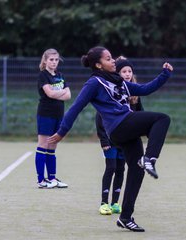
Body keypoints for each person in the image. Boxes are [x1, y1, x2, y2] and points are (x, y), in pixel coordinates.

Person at [48, 46, 173, 232]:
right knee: (162, 119)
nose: (113, 60)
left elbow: (145, 89)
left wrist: (165, 74)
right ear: (98, 65)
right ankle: (150, 158)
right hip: (119, 126)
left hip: (125, 129)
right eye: (108, 59)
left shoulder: (119, 81)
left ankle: (125, 217)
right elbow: (76, 107)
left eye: (112, 57)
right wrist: (61, 132)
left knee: (137, 171)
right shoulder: (94, 83)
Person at [96, 56, 144, 215]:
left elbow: (141, 115)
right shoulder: (111, 90)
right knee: (111, 167)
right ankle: (104, 203)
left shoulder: (135, 94)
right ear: (117, 73)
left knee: (121, 169)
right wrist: (103, 139)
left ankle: (116, 203)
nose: (127, 74)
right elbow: (100, 117)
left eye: (130, 71)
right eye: (124, 71)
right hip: (110, 138)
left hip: (126, 140)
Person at [35, 48, 71, 189]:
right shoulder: (43, 75)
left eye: (56, 60)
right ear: (45, 61)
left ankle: (52, 178)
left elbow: (68, 96)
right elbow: (49, 94)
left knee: (52, 146)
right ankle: (41, 180)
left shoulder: (60, 75)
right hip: (45, 114)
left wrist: (58, 92)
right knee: (43, 145)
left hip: (58, 114)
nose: (54, 62)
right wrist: (61, 92)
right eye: (51, 59)